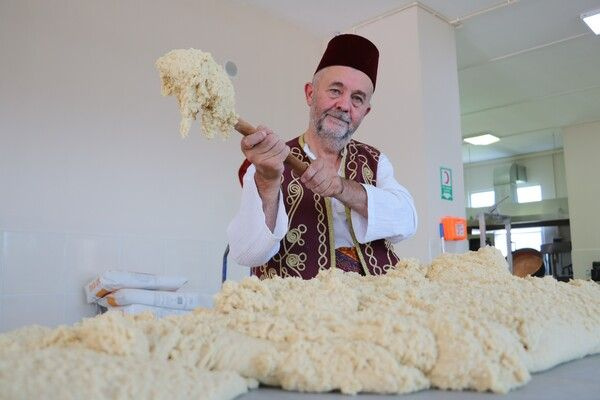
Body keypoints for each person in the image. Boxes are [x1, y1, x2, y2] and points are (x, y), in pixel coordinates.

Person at [227, 34, 417, 279]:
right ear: (310, 94)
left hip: (374, 309)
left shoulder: (376, 162)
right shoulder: (268, 162)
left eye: (357, 99)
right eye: (335, 90)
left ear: (365, 112)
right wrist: (268, 182)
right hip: (298, 311)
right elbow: (247, 254)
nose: (344, 105)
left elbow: (407, 222)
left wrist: (341, 187)